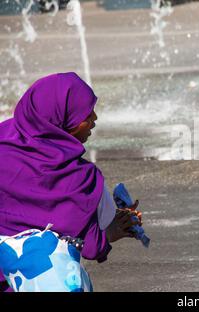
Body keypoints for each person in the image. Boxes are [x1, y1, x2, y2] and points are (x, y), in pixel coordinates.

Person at [0, 72, 140, 292]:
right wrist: (114, 228)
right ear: (59, 120)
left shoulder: (4, 141)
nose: (94, 118)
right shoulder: (80, 178)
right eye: (85, 114)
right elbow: (91, 244)